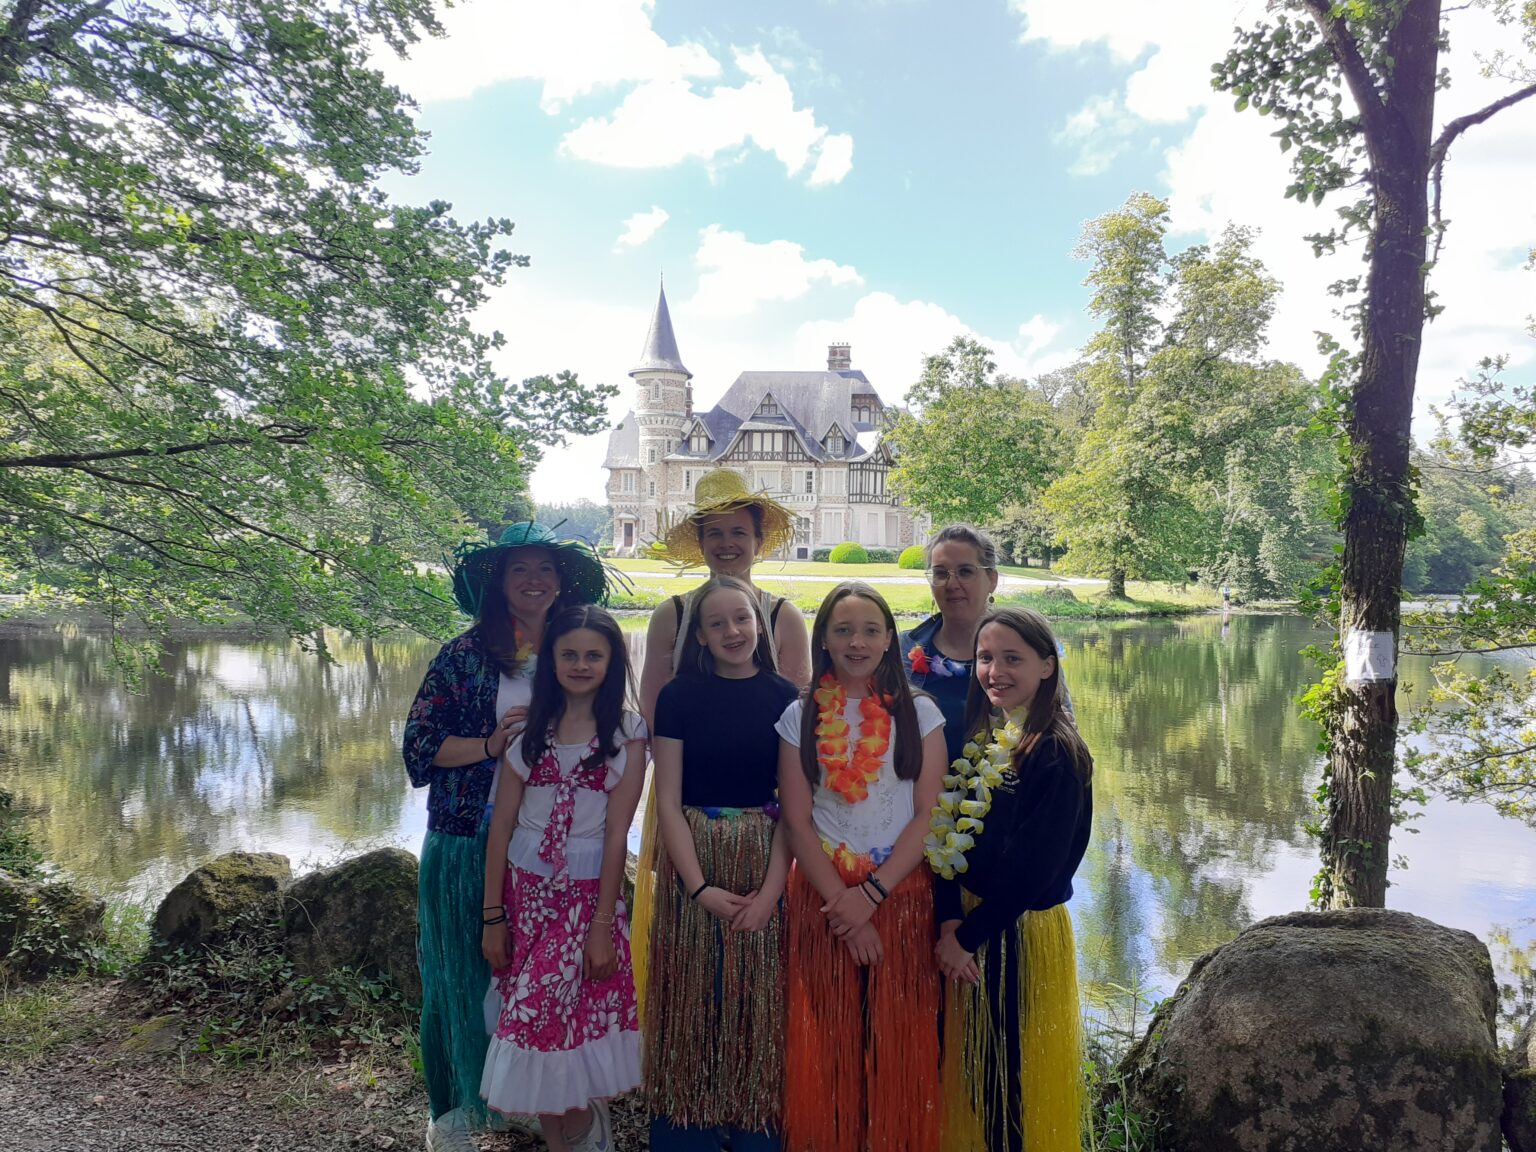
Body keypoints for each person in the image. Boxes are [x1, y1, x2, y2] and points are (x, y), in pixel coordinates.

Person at [401, 522, 612, 1152]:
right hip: (469, 837)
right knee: (460, 979)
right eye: (519, 568)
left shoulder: (576, 649)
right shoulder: (463, 656)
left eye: (545, 568)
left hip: (551, 848)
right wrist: (492, 745)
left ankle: (540, 1103)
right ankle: (455, 1111)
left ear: (562, 581)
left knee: (544, 982)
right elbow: (418, 748)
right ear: (497, 581)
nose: (533, 580)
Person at [775, 581, 948, 1152]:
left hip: (899, 891)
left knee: (897, 1038)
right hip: (824, 896)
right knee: (830, 1039)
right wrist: (845, 909)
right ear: (823, 638)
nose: (857, 642)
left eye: (871, 630)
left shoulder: (920, 712)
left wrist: (871, 896)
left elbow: (929, 813)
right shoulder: (799, 716)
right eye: (844, 630)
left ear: (890, 638)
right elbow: (797, 821)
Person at [633, 468, 811, 1000]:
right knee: (690, 956)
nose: (727, 543)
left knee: (758, 965)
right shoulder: (672, 615)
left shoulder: (783, 616)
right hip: (687, 799)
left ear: (757, 540)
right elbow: (653, 709)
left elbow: (797, 721)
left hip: (767, 813)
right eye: (715, 533)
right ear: (701, 543)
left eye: (738, 532)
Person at [480, 605, 647, 1152]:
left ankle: (583, 1131)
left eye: (593, 655)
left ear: (612, 662)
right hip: (524, 897)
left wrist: (601, 926)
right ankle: (566, 1138)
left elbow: (616, 834)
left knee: (551, 1016)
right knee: (538, 1023)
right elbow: (502, 827)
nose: (580, 664)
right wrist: (493, 916)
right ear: (551, 660)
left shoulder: (626, 734)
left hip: (583, 902)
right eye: (569, 654)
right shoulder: (530, 730)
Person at [927, 607, 1093, 1152]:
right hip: (967, 930)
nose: (995, 671)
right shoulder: (988, 738)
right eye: (985, 658)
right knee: (973, 1069)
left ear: (1047, 665)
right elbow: (947, 836)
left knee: (1005, 1074)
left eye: (1012, 659)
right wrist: (949, 919)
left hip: (1012, 932)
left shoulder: (1056, 753)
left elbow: (1034, 870)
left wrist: (966, 938)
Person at [644, 575, 799, 1150]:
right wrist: (698, 887)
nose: (732, 631)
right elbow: (667, 800)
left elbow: (793, 807)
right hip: (694, 857)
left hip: (763, 859)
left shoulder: (785, 697)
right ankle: (688, 1125)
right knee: (691, 995)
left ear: (759, 625)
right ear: (700, 637)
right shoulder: (679, 697)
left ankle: (755, 1122)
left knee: (757, 999)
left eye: (742, 618)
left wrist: (770, 895)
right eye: (717, 623)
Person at [901, 525, 1002, 765]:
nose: (952, 583)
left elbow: (1059, 734)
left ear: (992, 580)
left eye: (965, 572)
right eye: (940, 573)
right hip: (918, 787)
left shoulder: (1027, 649)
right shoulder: (901, 649)